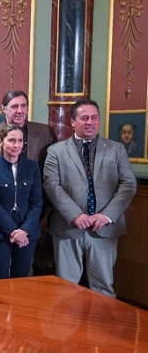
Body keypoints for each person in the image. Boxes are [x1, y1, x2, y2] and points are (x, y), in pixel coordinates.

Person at [43, 99, 136, 297]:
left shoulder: (116, 149)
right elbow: (52, 185)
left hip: (104, 228)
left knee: (103, 289)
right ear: (73, 121)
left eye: (94, 118)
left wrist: (106, 216)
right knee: (65, 290)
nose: (90, 122)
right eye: (84, 118)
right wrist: (74, 214)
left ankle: (103, 329)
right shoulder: (56, 151)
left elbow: (128, 185)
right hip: (68, 228)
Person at [0, 90, 56, 216]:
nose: (20, 111)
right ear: (4, 109)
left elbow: (52, 173)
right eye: (14, 106)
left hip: (35, 208)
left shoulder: (45, 132)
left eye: (23, 106)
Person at [0, 124, 42, 279]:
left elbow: (36, 203)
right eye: (12, 140)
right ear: (1, 142)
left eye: (20, 141)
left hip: (27, 232)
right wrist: (13, 232)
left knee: (21, 279)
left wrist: (24, 231)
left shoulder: (32, 167)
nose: (16, 145)